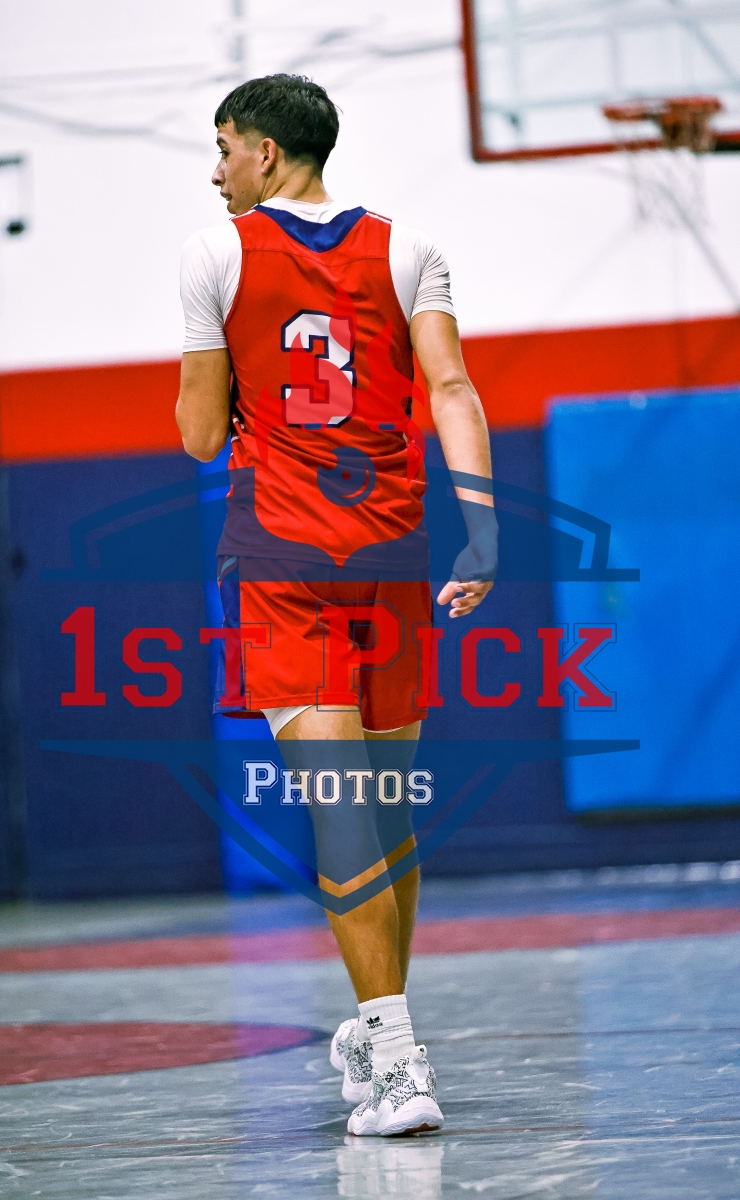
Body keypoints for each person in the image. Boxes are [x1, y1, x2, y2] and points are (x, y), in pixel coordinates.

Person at [177, 74, 496, 1137]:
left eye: (224, 147)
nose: (215, 170)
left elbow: (196, 435)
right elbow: (451, 389)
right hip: (394, 554)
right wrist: (484, 529)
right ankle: (377, 1032)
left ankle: (398, 1064)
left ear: (265, 152)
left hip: (283, 560)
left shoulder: (215, 254)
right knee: (386, 807)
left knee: (340, 808)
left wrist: (237, 390)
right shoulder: (410, 249)